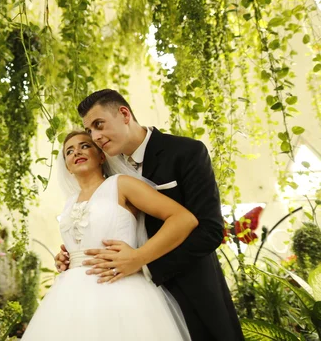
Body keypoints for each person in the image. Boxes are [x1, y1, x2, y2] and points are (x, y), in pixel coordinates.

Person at [56, 89, 244, 341]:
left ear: (124, 114)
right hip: (120, 295)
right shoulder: (107, 170)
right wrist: (77, 250)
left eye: (99, 125)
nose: (96, 136)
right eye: (90, 131)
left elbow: (209, 231)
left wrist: (141, 262)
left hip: (190, 286)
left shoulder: (186, 152)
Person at [23, 130, 196, 340]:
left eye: (85, 146)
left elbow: (183, 219)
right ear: (67, 167)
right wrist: (68, 256)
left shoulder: (121, 184)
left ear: (102, 156)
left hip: (120, 290)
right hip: (70, 298)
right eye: (69, 151)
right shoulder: (69, 203)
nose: (77, 151)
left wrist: (139, 257)